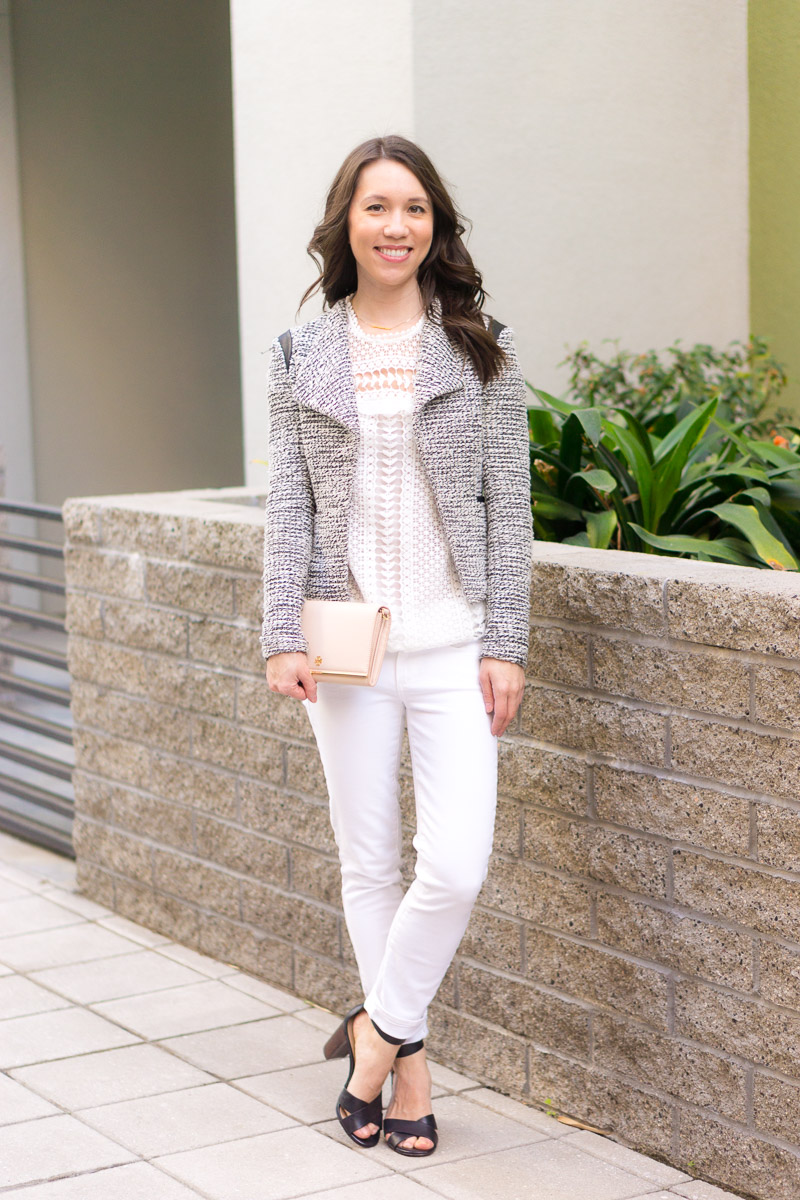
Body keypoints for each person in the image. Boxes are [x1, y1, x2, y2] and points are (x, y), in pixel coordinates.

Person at [261, 134, 533, 1158]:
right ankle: (407, 1075)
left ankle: (370, 1034)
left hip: (453, 646)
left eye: (413, 209)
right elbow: (288, 504)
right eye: (377, 208)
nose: (395, 226)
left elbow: (508, 511)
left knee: (454, 865)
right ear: (346, 224)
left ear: (435, 227)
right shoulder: (301, 354)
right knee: (369, 862)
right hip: (345, 645)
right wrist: (278, 633)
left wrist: (504, 643)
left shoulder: (479, 350)